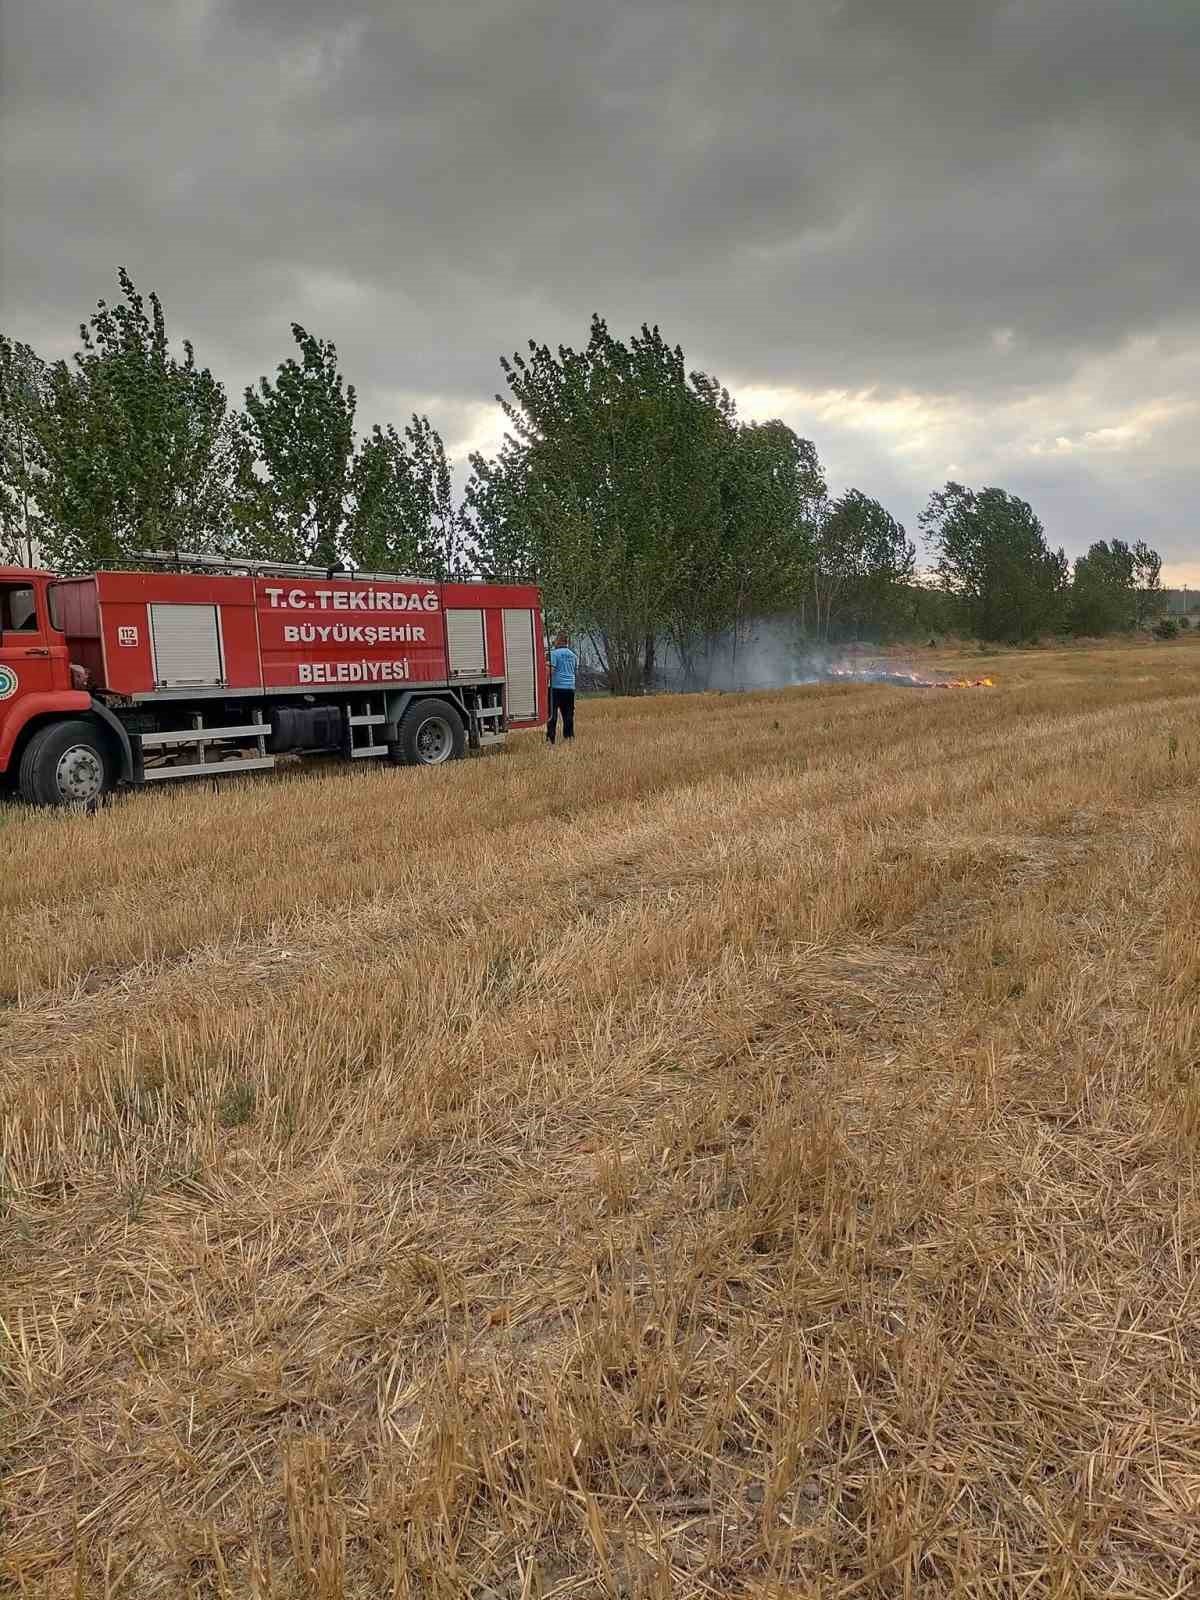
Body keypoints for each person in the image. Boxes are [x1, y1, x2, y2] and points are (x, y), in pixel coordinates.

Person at [547, 632, 577, 745]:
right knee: (568, 714)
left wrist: (545, 683)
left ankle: (551, 739)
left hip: (556, 688)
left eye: (555, 640)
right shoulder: (573, 655)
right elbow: (574, 671)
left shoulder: (554, 654)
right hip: (569, 688)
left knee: (552, 714)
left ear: (559, 641)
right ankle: (569, 737)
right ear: (566, 642)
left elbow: (551, 670)